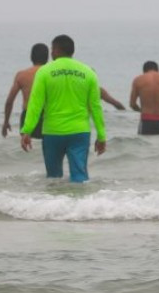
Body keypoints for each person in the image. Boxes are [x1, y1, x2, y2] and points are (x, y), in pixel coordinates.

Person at [20, 34, 106, 183]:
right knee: (80, 177)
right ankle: (81, 205)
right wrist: (101, 135)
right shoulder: (88, 72)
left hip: (53, 132)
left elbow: (35, 105)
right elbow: (95, 107)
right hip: (80, 132)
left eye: (52, 49)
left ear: (57, 50)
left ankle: (56, 205)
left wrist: (26, 130)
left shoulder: (44, 72)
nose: (51, 52)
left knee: (53, 178)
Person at [2, 43, 48, 138]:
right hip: (49, 116)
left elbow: (9, 102)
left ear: (31, 57)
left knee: (26, 147)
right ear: (47, 58)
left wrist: (6, 122)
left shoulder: (22, 75)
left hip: (28, 116)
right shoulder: (52, 75)